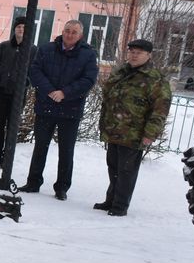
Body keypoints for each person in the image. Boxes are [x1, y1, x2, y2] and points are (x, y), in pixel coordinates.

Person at [19, 20, 99, 200]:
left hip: (70, 109)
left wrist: (64, 93)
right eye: (67, 31)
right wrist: (50, 91)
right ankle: (33, 182)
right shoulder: (46, 49)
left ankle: (62, 187)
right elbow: (35, 71)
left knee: (66, 150)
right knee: (40, 146)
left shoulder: (88, 55)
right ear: (62, 31)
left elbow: (88, 80)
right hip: (46, 105)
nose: (70, 35)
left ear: (80, 36)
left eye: (74, 32)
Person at [95, 39, 171, 216]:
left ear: (148, 55)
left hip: (134, 133)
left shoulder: (154, 78)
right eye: (132, 52)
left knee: (127, 171)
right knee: (113, 167)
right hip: (114, 129)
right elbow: (108, 97)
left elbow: (160, 109)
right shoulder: (121, 72)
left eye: (139, 53)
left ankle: (120, 205)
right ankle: (111, 200)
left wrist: (150, 133)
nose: (134, 55)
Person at [0, 17, 31, 166]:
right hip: (2, 91)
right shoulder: (4, 46)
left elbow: (34, 71)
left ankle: (7, 156)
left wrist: (25, 83)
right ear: (14, 29)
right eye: (18, 27)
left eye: (24, 27)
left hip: (18, 94)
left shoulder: (31, 49)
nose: (21, 30)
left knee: (12, 125)